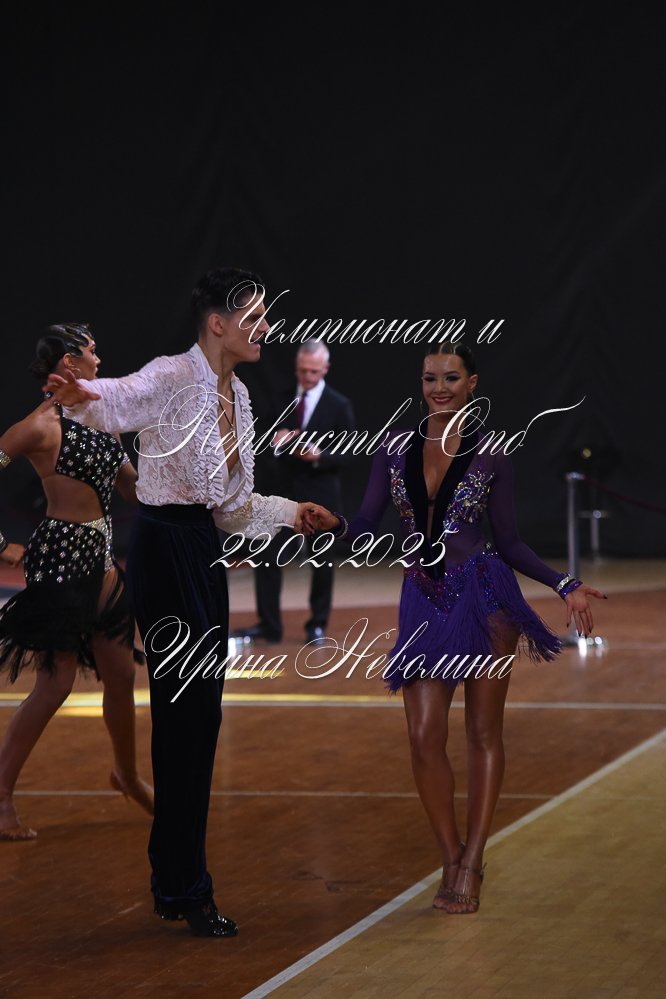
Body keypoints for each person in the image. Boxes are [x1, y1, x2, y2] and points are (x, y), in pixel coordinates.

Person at [46, 268, 319, 938]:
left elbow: (232, 509)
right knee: (184, 716)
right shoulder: (173, 374)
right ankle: (184, 885)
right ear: (218, 323)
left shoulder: (241, 396)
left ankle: (177, 880)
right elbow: (118, 399)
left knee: (201, 717)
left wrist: (293, 513)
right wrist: (82, 391)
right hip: (164, 551)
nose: (265, 328)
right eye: (253, 316)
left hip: (201, 552)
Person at [313, 343, 605, 914]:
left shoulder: (492, 455)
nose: (439, 388)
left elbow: (510, 541)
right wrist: (335, 524)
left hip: (484, 596)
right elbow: (367, 524)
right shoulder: (393, 448)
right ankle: (450, 855)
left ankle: (472, 862)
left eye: (451, 377)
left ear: (473, 383)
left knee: (482, 734)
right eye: (430, 378)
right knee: (423, 736)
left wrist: (563, 583)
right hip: (422, 601)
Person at [0, 324, 153, 842]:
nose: (98, 359)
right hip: (59, 565)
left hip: (103, 565)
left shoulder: (102, 416)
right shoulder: (38, 427)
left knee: (121, 675)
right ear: (70, 362)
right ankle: (0, 797)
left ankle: (126, 775)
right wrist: (1, 546)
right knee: (56, 683)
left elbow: (134, 491)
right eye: (91, 351)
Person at [232, 341, 356, 643]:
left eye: (313, 371)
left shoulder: (339, 405)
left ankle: (317, 624)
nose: (307, 376)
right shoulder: (281, 398)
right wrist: (277, 441)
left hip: (321, 492)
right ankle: (269, 625)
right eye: (302, 371)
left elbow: (350, 453)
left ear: (325, 369)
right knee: (266, 556)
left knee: (322, 562)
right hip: (282, 491)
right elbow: (260, 443)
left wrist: (319, 456)